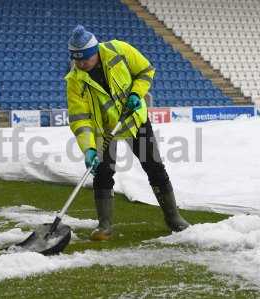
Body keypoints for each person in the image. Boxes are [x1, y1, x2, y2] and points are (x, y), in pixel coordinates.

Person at [65, 25, 190, 241]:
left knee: (154, 167)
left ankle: (173, 218)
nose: (82, 63)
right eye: (77, 59)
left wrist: (136, 93)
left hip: (133, 120)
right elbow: (79, 118)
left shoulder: (119, 50)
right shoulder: (74, 81)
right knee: (103, 174)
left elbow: (146, 70)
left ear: (96, 51)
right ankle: (104, 225)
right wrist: (89, 150)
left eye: (85, 58)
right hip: (104, 130)